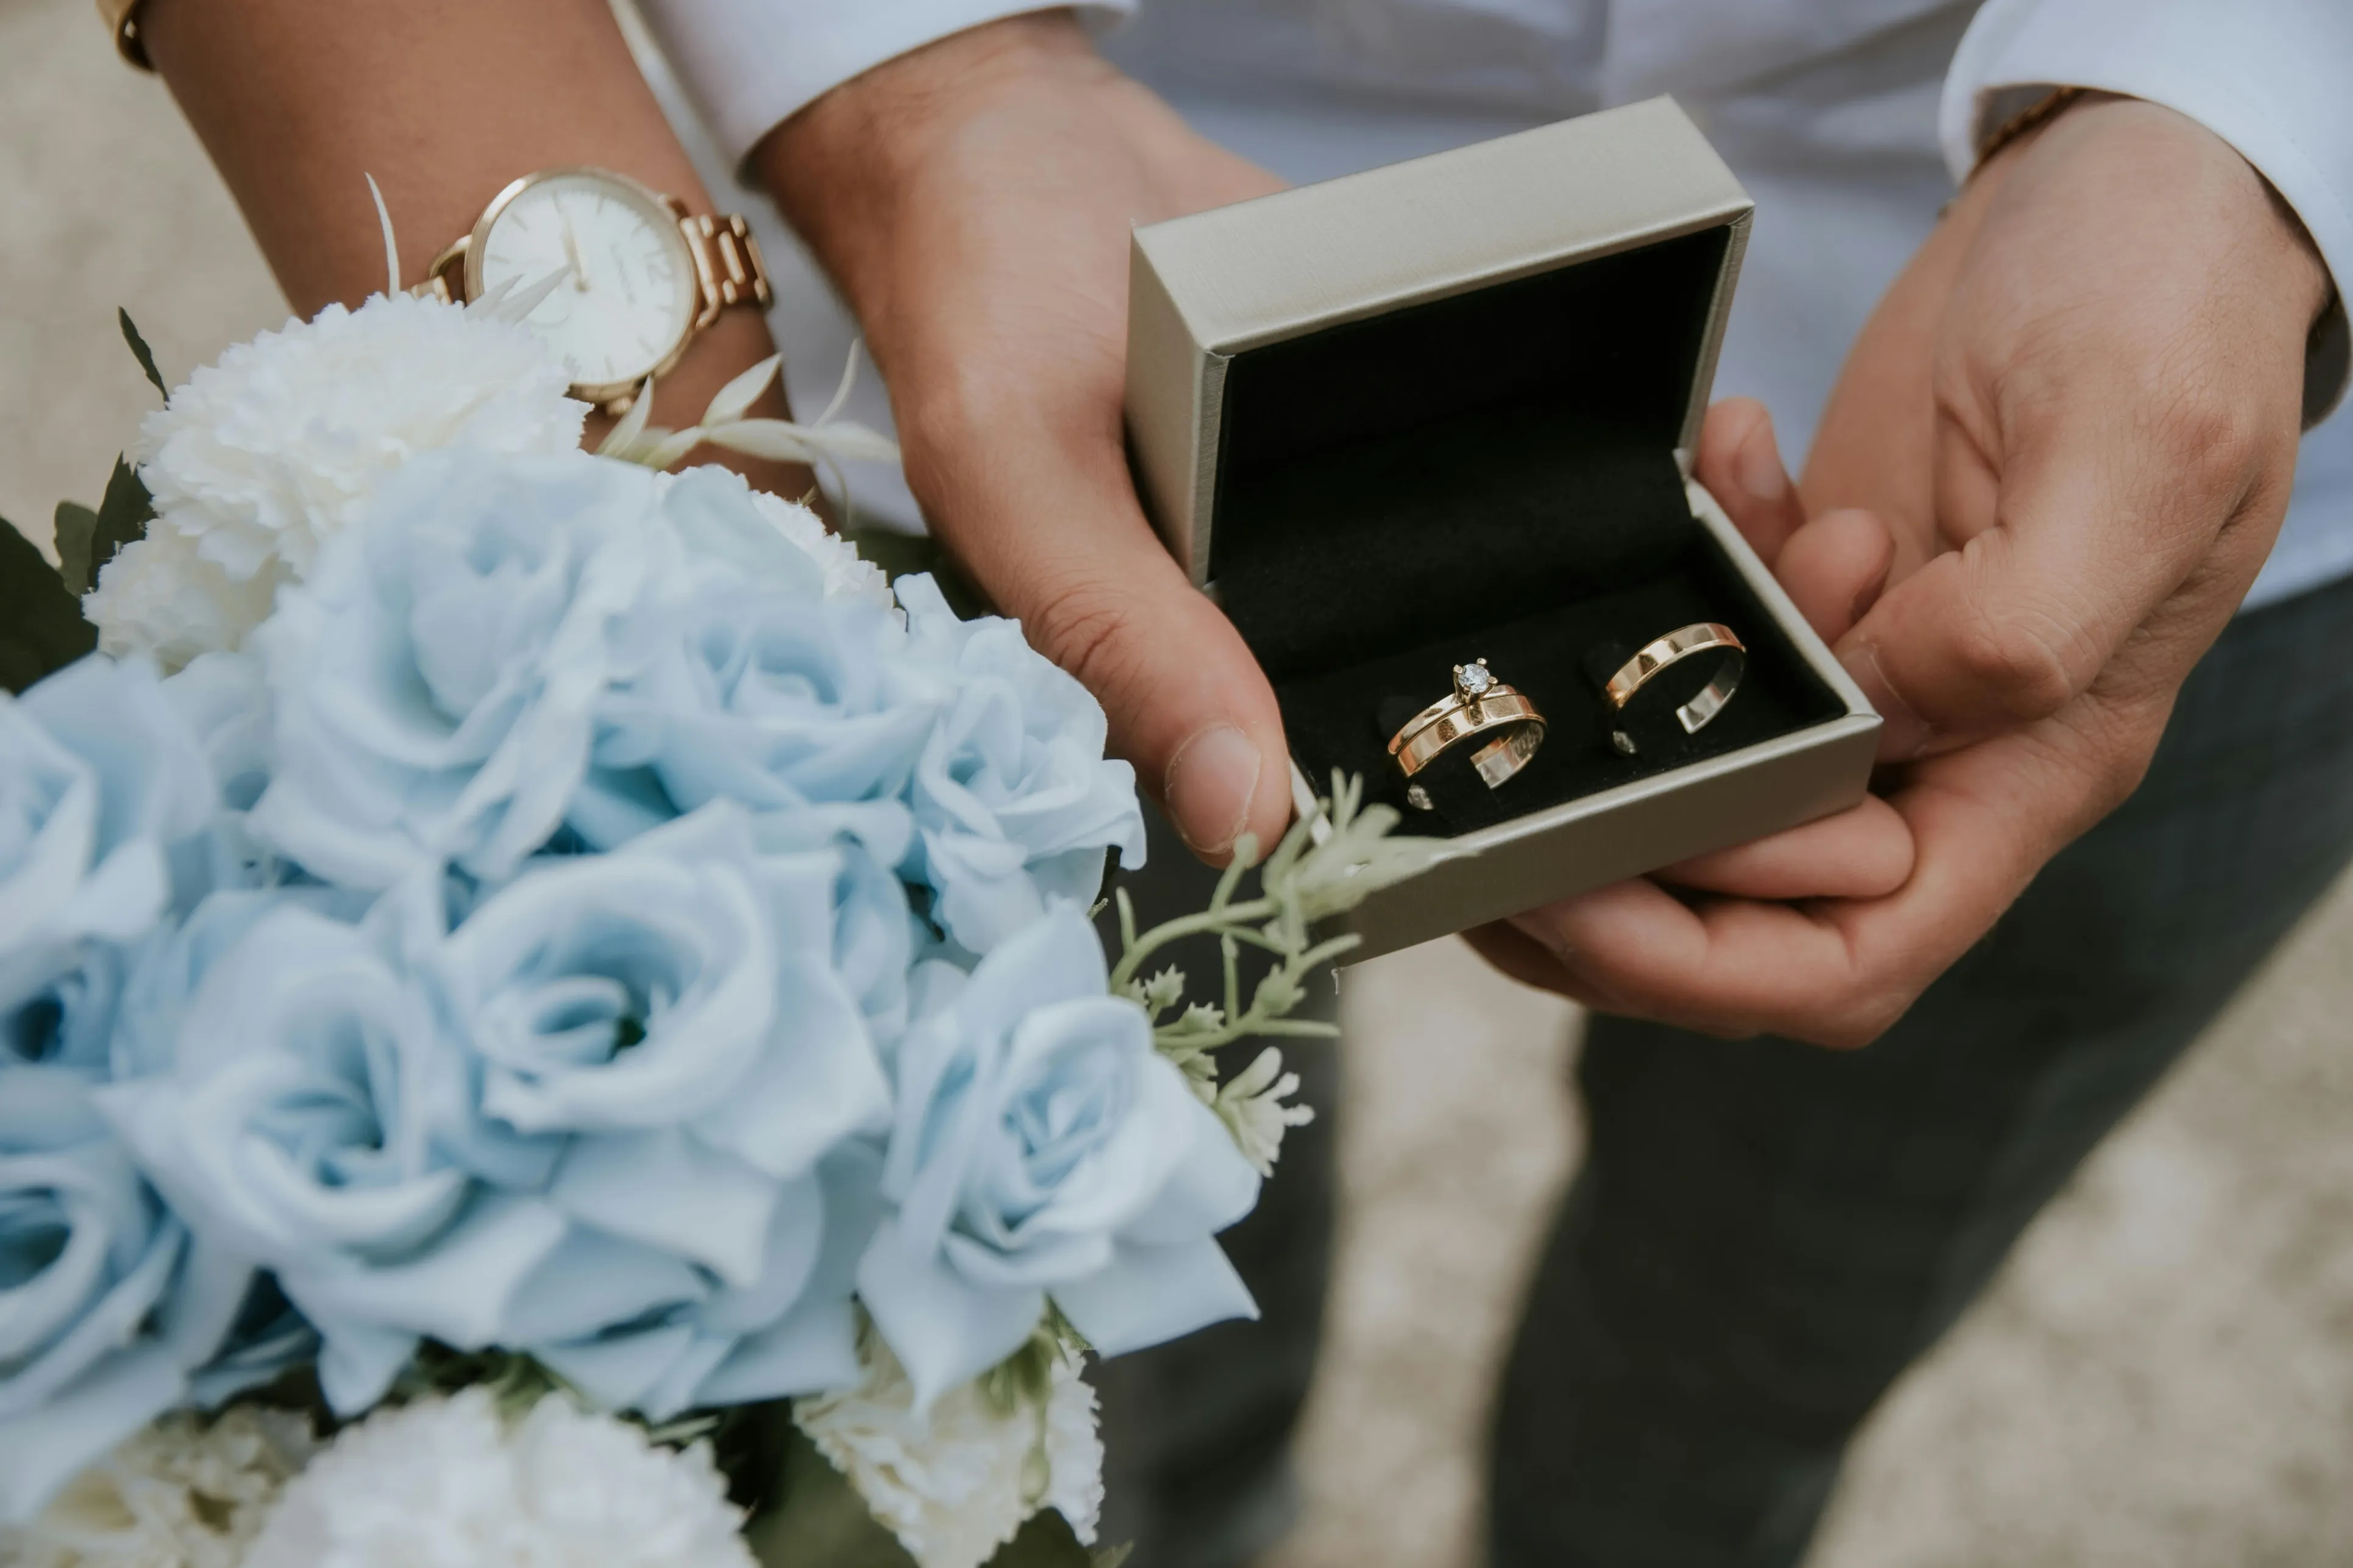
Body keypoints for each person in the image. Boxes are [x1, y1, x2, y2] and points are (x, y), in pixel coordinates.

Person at [124, 0, 2350, 1563]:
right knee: (1085, 1278)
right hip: (1005, 335)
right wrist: (904, 86)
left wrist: (2251, 113)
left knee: (1767, 1334)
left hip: (2160, 437)